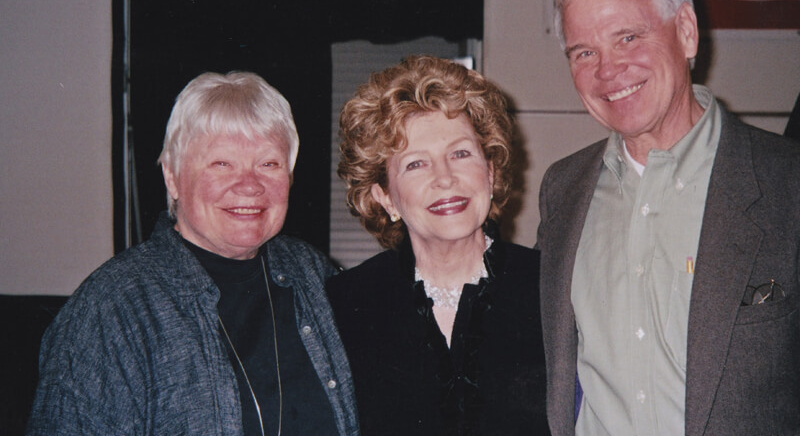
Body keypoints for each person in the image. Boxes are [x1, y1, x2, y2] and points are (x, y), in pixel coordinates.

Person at [538, 0, 800, 436]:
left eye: (628, 38)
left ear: (685, 32)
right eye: (583, 52)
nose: (607, 71)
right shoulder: (563, 190)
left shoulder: (787, 183)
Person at [26, 72, 359, 436]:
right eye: (221, 163)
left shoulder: (312, 274)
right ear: (172, 177)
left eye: (269, 164)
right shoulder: (113, 308)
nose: (249, 184)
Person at [327, 55, 549, 436]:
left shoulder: (550, 286)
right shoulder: (345, 303)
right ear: (385, 197)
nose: (445, 178)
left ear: (490, 172)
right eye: (416, 164)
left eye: (460, 154)